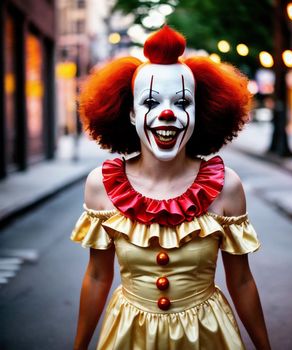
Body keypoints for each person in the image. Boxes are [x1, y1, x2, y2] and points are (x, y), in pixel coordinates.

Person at [71, 25, 271, 350]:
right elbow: (96, 276)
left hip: (206, 335)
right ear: (132, 113)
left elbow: (242, 280)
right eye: (150, 101)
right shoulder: (101, 187)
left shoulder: (227, 187)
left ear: (199, 112)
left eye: (182, 102)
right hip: (129, 334)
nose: (167, 114)